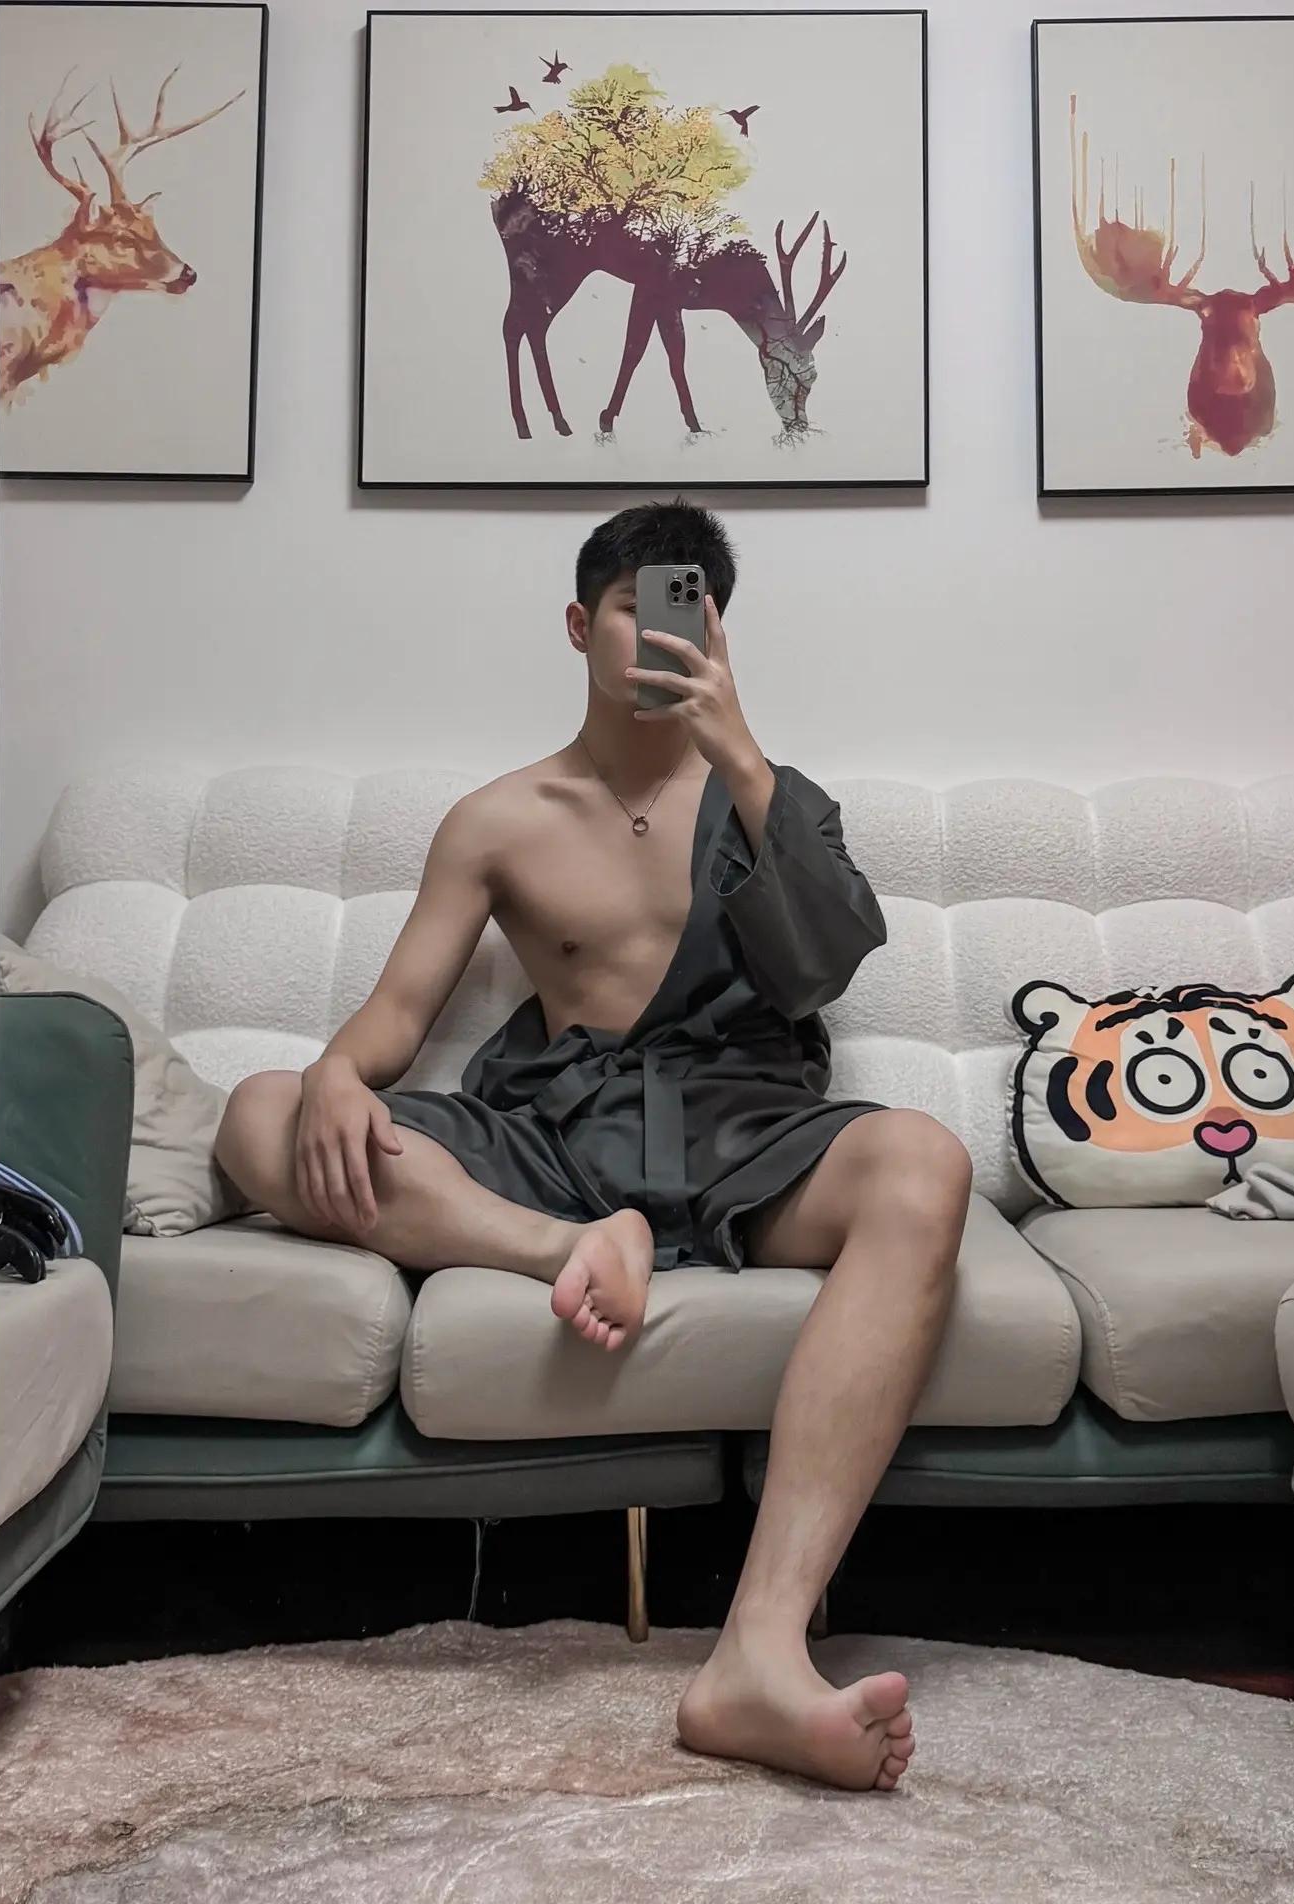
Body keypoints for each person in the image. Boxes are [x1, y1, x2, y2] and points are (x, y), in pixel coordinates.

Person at [216, 498, 972, 1793]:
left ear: (719, 631)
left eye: (691, 613)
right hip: (562, 1136)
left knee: (927, 1163)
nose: (660, 636)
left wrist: (742, 757)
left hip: (739, 1125)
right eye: (634, 608)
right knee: (255, 1114)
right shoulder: (499, 819)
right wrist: (335, 1073)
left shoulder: (774, 798)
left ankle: (758, 1653)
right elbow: (397, 1018)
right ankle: (568, 1248)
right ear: (580, 624)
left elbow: (824, 968)